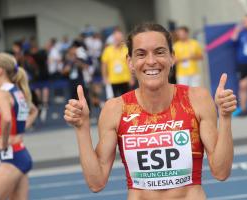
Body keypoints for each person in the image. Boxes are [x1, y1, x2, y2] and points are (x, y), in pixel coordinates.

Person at [64, 23, 237, 199]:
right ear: (130, 62)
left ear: (172, 57)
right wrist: (82, 128)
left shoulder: (197, 99)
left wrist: (225, 117)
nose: (151, 61)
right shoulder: (115, 109)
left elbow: (221, 172)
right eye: (141, 54)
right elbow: (96, 182)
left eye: (160, 52)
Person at [0, 53, 38, 199]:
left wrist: (4, 142)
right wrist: (18, 131)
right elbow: (34, 112)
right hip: (20, 153)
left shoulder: (1, 93)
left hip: (11, 158)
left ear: (0, 71)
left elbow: (6, 119)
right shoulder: (16, 90)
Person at [101, 27, 133, 98]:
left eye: (119, 37)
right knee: (114, 100)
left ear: (122, 38)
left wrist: (132, 77)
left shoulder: (126, 49)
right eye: (116, 37)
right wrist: (104, 77)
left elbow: (131, 64)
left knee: (127, 99)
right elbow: (104, 65)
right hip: (113, 80)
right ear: (113, 38)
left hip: (125, 79)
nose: (118, 39)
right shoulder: (107, 50)